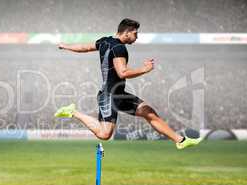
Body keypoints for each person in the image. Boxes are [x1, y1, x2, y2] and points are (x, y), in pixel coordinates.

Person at [54, 18, 202, 149]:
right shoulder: (119, 48)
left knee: (148, 112)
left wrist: (65, 46)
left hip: (118, 93)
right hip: (109, 95)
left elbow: (84, 48)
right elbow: (122, 73)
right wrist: (145, 69)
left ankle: (180, 140)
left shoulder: (105, 41)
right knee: (105, 134)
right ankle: (73, 112)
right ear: (126, 32)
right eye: (135, 34)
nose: (136, 38)